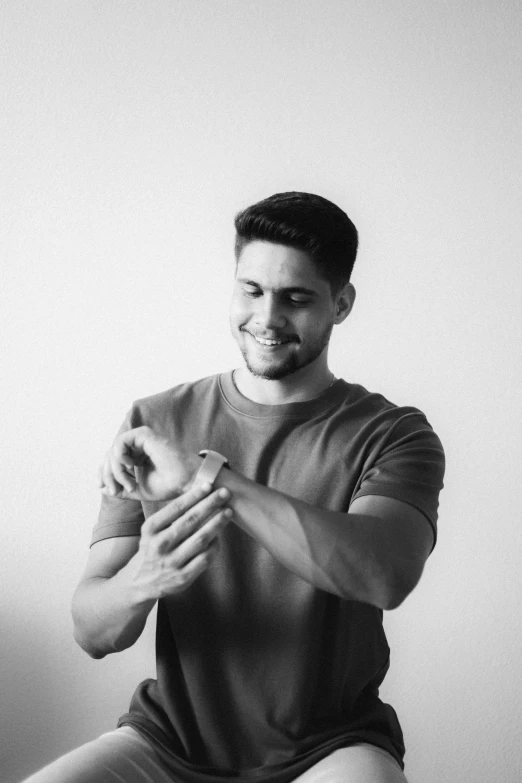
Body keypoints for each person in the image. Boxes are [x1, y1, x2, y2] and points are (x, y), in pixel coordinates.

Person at [23, 192, 445, 783]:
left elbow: (383, 573)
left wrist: (208, 478)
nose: (267, 318)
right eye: (251, 290)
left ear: (342, 304)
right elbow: (92, 632)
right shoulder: (156, 421)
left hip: (334, 749)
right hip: (168, 744)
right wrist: (146, 577)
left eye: (296, 298)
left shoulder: (393, 433)